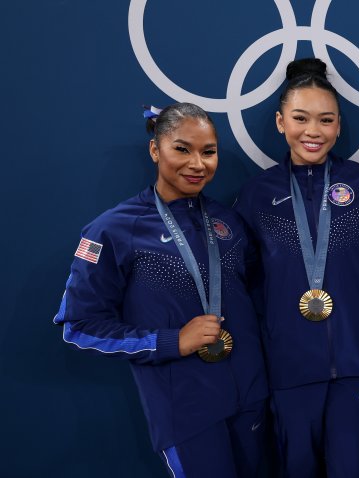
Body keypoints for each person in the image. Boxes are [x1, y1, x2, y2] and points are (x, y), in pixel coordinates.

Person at [53, 103, 268, 477]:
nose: (197, 164)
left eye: (208, 151)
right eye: (182, 149)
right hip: (186, 411)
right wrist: (169, 341)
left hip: (251, 400)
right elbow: (79, 325)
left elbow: (253, 292)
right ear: (156, 150)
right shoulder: (112, 230)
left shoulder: (229, 222)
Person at [234, 58, 359, 477]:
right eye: (301, 119)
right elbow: (244, 284)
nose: (313, 132)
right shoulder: (256, 195)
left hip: (358, 367)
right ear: (282, 122)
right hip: (289, 370)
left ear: (339, 126)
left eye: (326, 120)